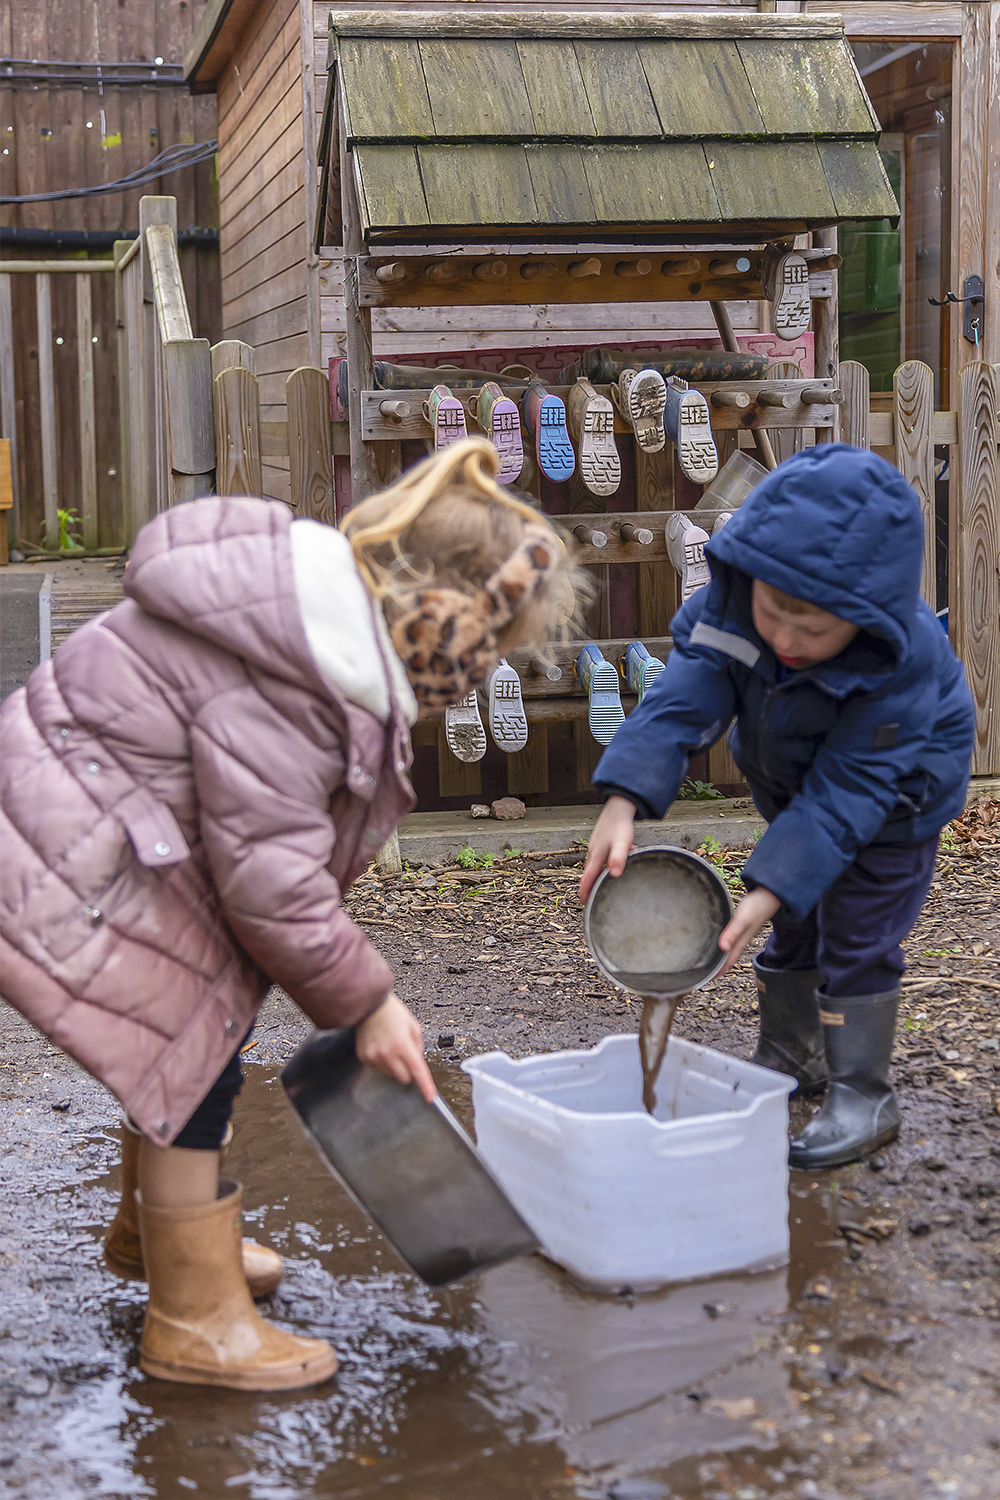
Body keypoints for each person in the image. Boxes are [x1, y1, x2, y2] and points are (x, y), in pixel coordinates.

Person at [0, 437, 583, 1393]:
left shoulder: (301, 621)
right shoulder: (301, 679)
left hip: (97, 827)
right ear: (434, 613)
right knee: (194, 1054)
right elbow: (270, 885)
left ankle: (157, 1233)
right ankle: (192, 1320)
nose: (480, 677)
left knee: (193, 1041)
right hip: (81, 854)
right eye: (489, 652)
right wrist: (369, 1004)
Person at [580, 445, 976, 1171]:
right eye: (775, 614)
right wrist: (623, 797)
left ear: (866, 618)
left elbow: (849, 794)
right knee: (795, 919)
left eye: (814, 630)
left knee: (854, 934)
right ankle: (796, 1053)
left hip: (895, 801)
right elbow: (682, 700)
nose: (787, 640)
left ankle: (863, 1093)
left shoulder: (900, 662)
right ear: (750, 579)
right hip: (796, 784)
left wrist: (768, 886)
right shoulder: (731, 608)